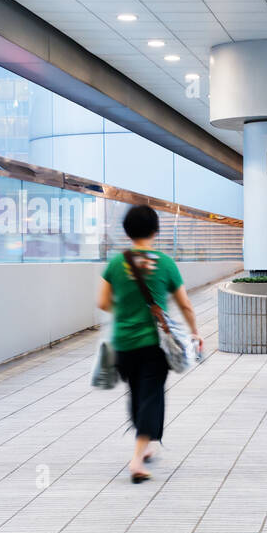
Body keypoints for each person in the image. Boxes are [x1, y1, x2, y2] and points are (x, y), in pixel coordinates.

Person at [97, 204, 202, 484]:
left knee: (136, 393)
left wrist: (127, 310)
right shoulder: (165, 263)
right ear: (155, 230)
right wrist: (194, 332)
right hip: (154, 344)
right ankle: (136, 459)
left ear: (127, 231)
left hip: (123, 342)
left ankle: (145, 444)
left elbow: (103, 303)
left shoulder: (116, 264)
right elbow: (185, 304)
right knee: (152, 396)